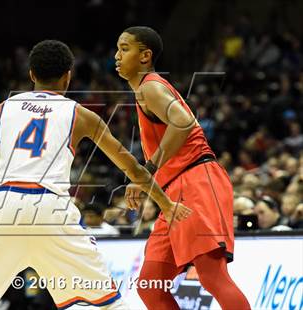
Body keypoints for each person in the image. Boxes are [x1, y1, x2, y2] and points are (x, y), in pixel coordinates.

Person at [0, 40, 191, 310]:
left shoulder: (1, 110)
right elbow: (132, 168)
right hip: (51, 208)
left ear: (31, 75)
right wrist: (165, 204)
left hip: (3, 206)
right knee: (106, 304)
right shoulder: (80, 114)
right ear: (68, 76)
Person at [115, 26, 251, 309]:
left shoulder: (150, 86)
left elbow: (183, 121)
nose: (117, 55)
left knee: (212, 275)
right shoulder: (145, 90)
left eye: (124, 48)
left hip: (197, 180)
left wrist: (147, 170)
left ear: (145, 56)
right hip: (173, 195)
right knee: (150, 285)